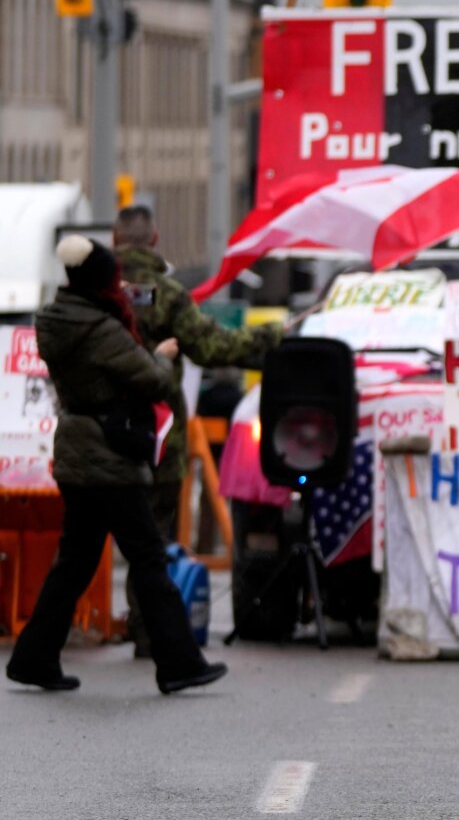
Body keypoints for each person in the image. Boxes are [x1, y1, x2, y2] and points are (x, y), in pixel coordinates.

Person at [6, 237, 227, 694]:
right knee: (148, 556)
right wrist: (163, 359)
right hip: (110, 458)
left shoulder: (54, 320)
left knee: (75, 562)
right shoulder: (102, 330)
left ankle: (34, 657)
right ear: (99, 283)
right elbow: (150, 382)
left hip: (76, 452)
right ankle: (179, 663)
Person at [113, 204, 282, 655]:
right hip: (157, 433)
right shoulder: (167, 295)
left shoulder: (95, 291)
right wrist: (272, 339)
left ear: (114, 239)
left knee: (85, 540)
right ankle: (149, 631)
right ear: (155, 239)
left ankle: (48, 636)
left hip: (99, 429)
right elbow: (211, 346)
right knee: (155, 536)